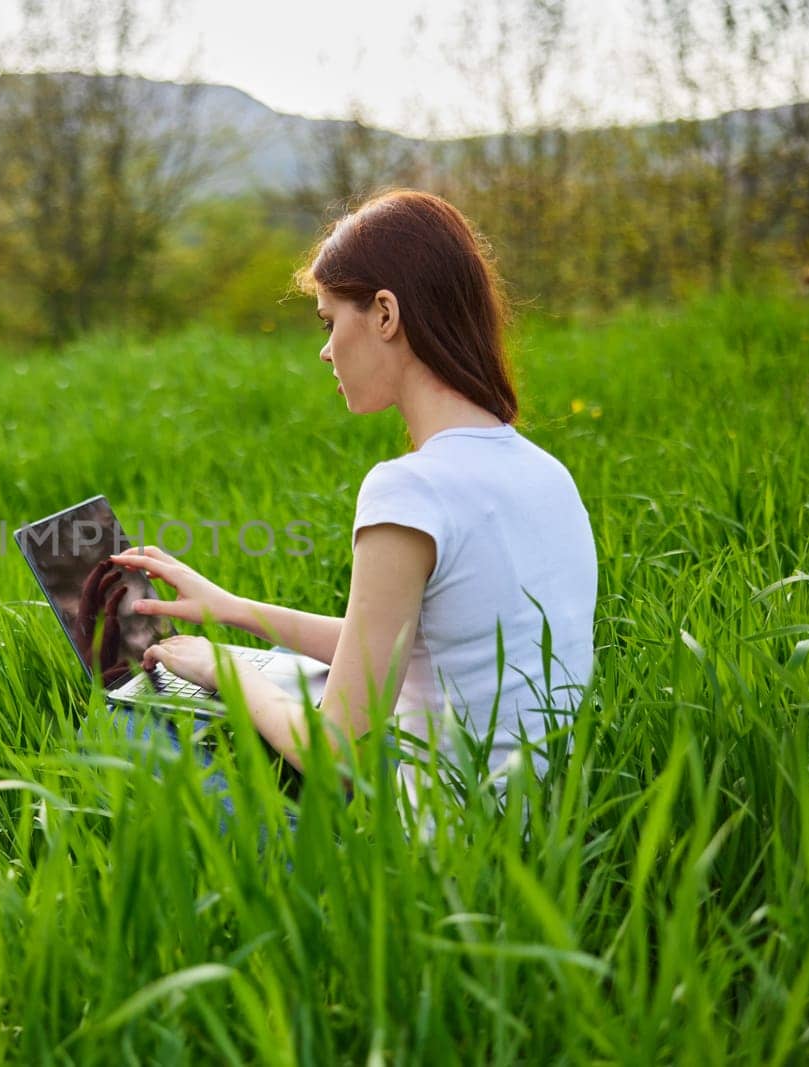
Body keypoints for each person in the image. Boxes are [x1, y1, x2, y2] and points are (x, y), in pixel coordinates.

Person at [92, 188, 598, 829]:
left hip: (432, 854)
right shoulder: (544, 473)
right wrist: (230, 609)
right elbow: (417, 649)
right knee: (292, 678)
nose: (326, 350)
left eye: (331, 322)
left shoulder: (411, 490)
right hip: (533, 828)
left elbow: (334, 751)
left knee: (137, 720)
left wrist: (224, 670)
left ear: (385, 313)